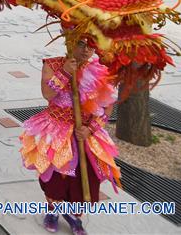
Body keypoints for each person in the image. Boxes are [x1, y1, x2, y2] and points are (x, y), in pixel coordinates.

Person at [21, 39, 119, 235]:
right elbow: (47, 94)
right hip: (56, 130)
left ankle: (74, 215)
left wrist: (90, 128)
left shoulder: (101, 70)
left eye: (91, 45)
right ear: (69, 41)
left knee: (87, 177)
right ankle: (54, 211)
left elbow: (108, 106)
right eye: (81, 44)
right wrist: (65, 72)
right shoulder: (52, 64)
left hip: (85, 133)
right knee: (56, 177)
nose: (86, 50)